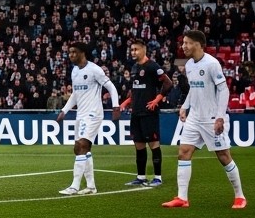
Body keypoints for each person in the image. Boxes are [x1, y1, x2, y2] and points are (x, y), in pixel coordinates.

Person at [162, 30, 247, 209]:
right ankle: (182, 198)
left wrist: (220, 117)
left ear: (198, 45)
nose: (183, 46)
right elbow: (194, 89)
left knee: (223, 156)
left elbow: (224, 90)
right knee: (183, 152)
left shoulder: (212, 64)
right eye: (183, 43)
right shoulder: (190, 65)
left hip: (211, 118)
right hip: (195, 118)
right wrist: (185, 106)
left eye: (187, 43)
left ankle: (240, 196)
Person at [53, 41, 120, 195]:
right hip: (80, 114)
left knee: (81, 146)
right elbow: (75, 94)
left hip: (93, 114)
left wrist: (116, 106)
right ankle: (91, 186)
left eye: (74, 52)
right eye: (69, 52)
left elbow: (111, 87)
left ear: (82, 53)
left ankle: (74, 186)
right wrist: (64, 110)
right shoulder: (74, 71)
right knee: (83, 149)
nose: (71, 55)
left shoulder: (94, 70)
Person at [119, 39, 173, 187]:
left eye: (136, 49)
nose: (133, 52)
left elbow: (168, 83)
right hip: (136, 112)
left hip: (149, 112)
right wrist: (125, 102)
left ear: (143, 50)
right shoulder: (135, 67)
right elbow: (136, 89)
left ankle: (158, 177)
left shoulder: (152, 66)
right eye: (132, 50)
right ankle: (141, 177)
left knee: (153, 144)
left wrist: (157, 99)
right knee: (139, 145)